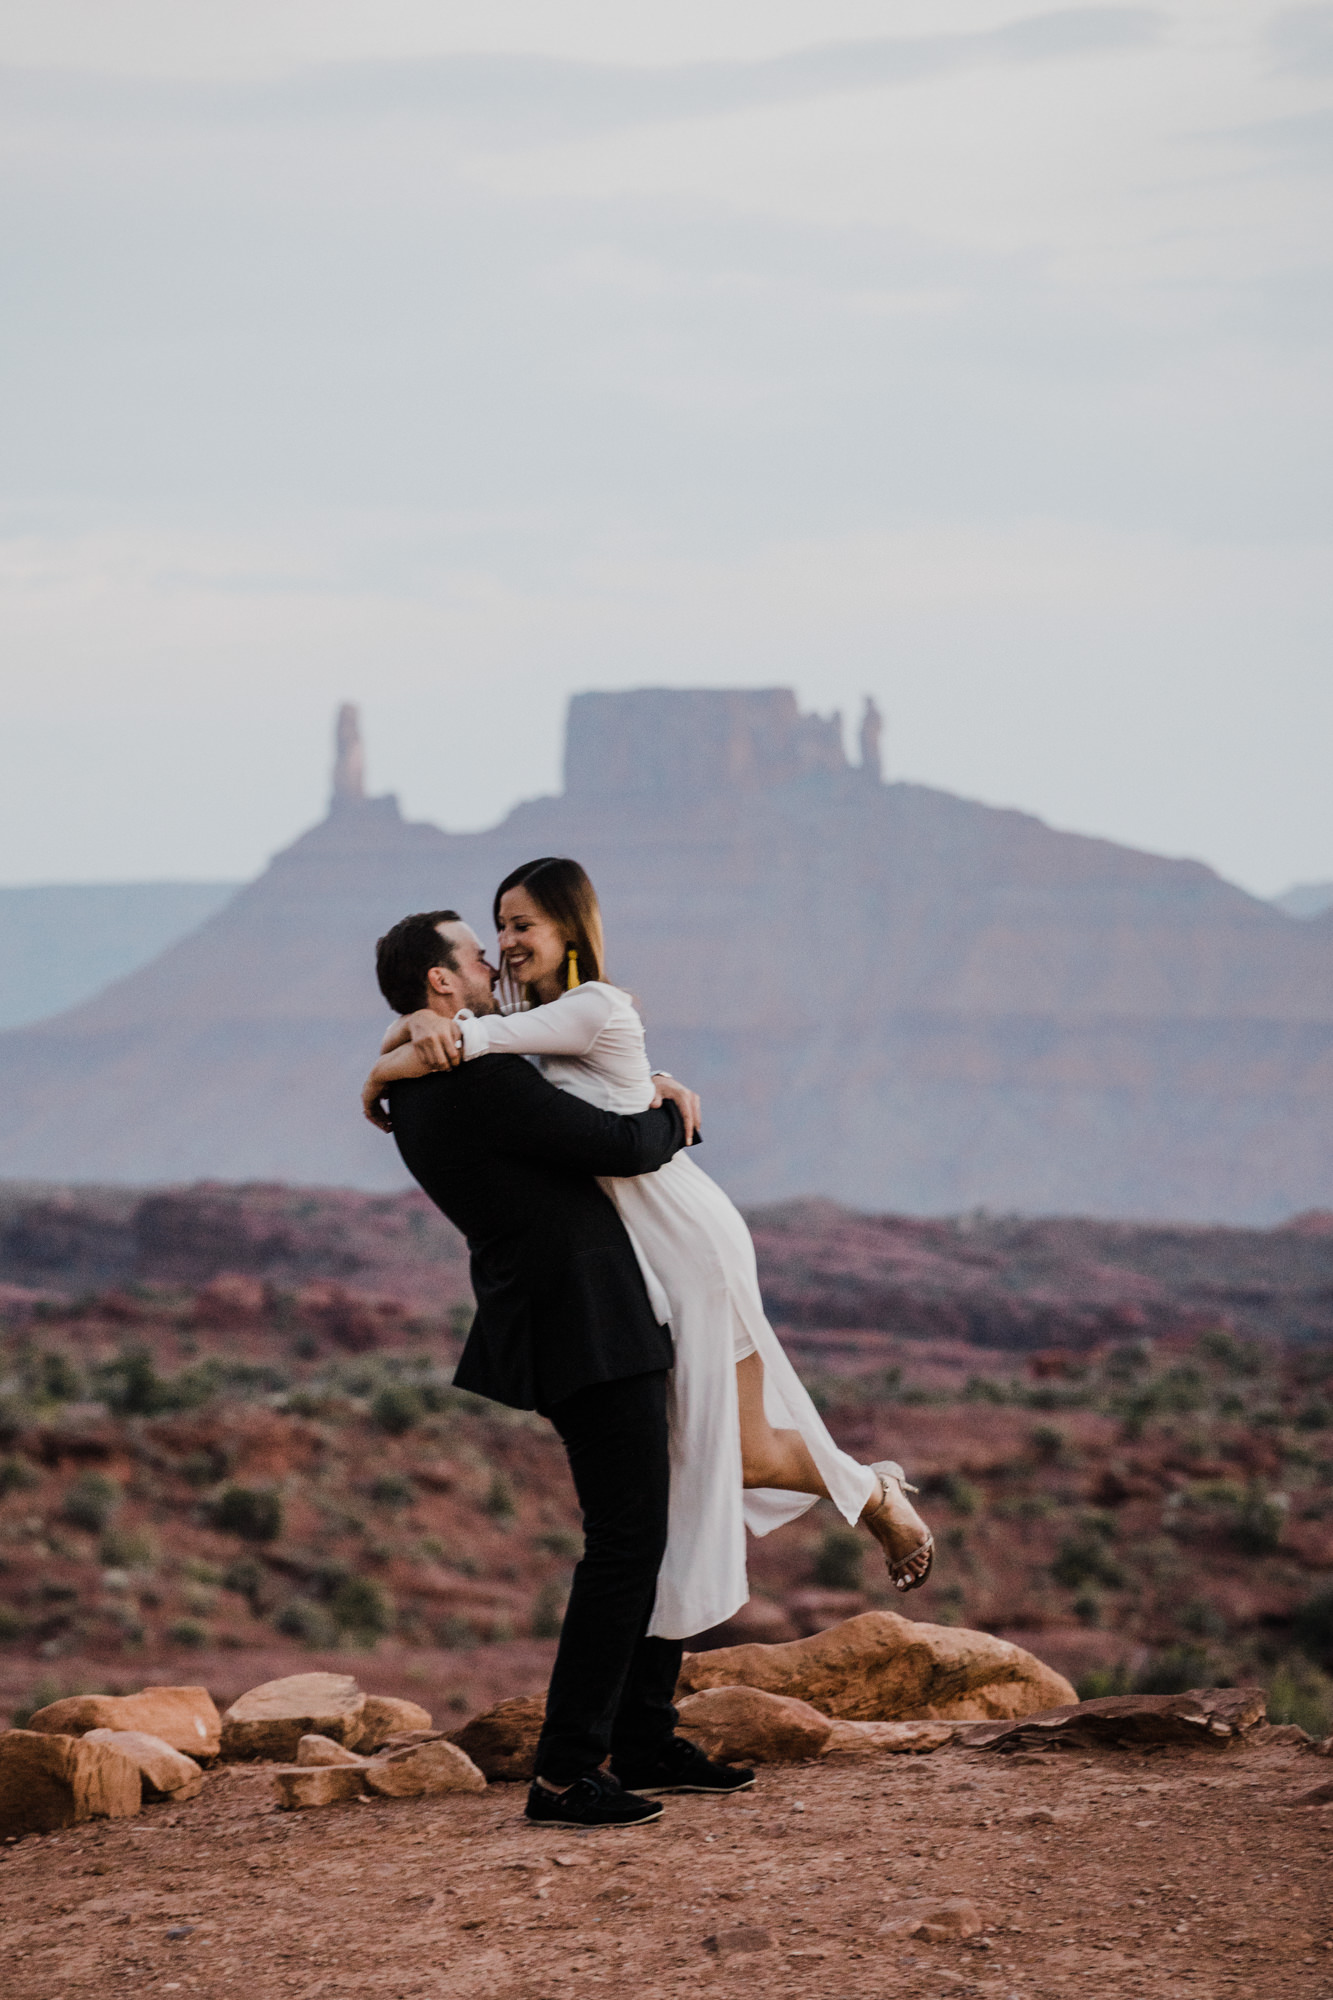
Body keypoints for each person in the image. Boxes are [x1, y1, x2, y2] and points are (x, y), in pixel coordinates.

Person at [365, 860, 934, 1649]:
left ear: (569, 927)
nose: (503, 945)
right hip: (638, 1242)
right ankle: (870, 1489)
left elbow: (471, 1039)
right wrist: (406, 1039)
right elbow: (486, 1043)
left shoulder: (586, 1005)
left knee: (712, 1446)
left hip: (680, 1232)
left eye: (522, 924)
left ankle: (871, 1498)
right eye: (497, 928)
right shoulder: (547, 1013)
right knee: (743, 1448)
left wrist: (387, 1064)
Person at [369, 908, 755, 1832]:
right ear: (440, 982)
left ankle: (646, 1737)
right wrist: (672, 1109)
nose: (490, 964)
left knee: (642, 1534)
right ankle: (566, 1773)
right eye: (474, 953)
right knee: (625, 1544)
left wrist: (386, 1057)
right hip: (581, 1324)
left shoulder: (436, 1074)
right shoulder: (477, 1081)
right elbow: (617, 1146)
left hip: (574, 1318)